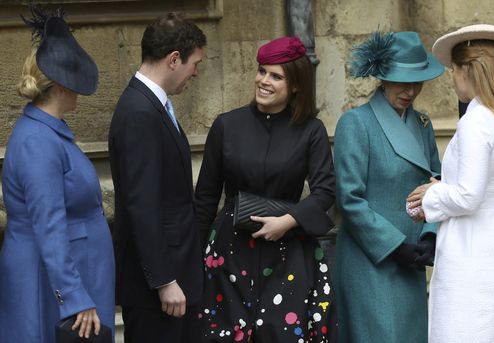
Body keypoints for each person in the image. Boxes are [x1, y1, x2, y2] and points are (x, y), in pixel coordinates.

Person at [194, 36, 336, 343]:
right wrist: (194, 258)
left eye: (276, 76)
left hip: (287, 252)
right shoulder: (226, 126)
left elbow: (325, 191)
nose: (264, 81)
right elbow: (205, 197)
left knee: (284, 334)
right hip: (228, 253)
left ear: (295, 84)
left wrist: (287, 222)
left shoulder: (311, 131)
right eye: (261, 72)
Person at [0, 7, 115, 343]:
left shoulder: (50, 131)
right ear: (63, 85)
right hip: (54, 280)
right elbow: (48, 224)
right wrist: (74, 297)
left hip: (75, 270)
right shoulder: (38, 142)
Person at [333, 31, 444, 343]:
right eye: (400, 81)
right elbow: (350, 200)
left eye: (417, 81)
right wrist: (395, 247)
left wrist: (430, 236)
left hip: (412, 259)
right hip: (372, 260)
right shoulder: (356, 123)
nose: (410, 91)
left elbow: (436, 183)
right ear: (382, 77)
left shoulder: (422, 124)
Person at [108, 13, 206, 343]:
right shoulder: (139, 111)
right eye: (195, 64)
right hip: (159, 290)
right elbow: (142, 203)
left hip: (175, 277)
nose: (196, 73)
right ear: (174, 59)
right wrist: (164, 281)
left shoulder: (152, 104)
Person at [407, 24, 494, 343]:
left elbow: (469, 196)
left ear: (468, 71)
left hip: (470, 251)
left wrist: (431, 195)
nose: (452, 78)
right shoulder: (493, 117)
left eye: (454, 70)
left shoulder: (477, 122)